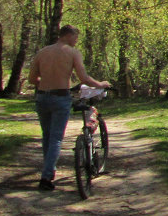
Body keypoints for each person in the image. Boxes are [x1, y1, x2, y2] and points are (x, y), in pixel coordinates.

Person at [27, 25, 110, 191]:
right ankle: (46, 177)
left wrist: (45, 84)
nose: (76, 41)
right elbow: (84, 78)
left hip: (42, 96)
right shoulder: (72, 52)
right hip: (60, 97)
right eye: (75, 37)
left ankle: (49, 171)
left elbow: (31, 79)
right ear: (69, 35)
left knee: (47, 136)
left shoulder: (42, 52)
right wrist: (101, 84)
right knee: (56, 138)